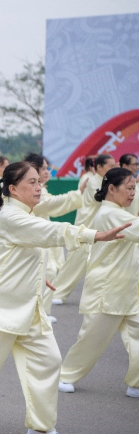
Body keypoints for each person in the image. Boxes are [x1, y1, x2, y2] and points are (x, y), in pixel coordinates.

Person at [0, 162, 127, 434]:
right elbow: (48, 233)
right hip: (1, 307)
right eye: (32, 183)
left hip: (29, 307)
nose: (39, 187)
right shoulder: (12, 216)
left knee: (49, 361)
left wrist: (42, 279)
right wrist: (95, 235)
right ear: (13, 189)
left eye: (39, 182)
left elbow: (25, 252)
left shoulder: (25, 214)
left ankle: (40, 427)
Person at [59, 167, 139, 398]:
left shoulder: (120, 212)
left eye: (134, 188)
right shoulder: (110, 213)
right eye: (130, 188)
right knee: (91, 339)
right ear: (111, 189)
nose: (133, 193)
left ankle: (135, 382)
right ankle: (66, 375)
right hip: (107, 288)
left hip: (125, 288)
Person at [24, 153, 86, 322]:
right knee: (45, 271)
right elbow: (49, 204)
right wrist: (77, 194)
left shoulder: (40, 189)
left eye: (46, 168)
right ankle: (37, 314)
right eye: (43, 168)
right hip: (35, 234)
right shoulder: (31, 190)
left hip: (43, 233)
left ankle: (40, 313)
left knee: (48, 271)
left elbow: (50, 205)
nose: (47, 172)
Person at [49, 154, 116, 306]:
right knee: (74, 264)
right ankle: (57, 293)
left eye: (115, 166)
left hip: (98, 231)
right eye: (111, 166)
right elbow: (102, 198)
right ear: (99, 167)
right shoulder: (93, 181)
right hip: (86, 228)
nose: (113, 168)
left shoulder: (103, 181)